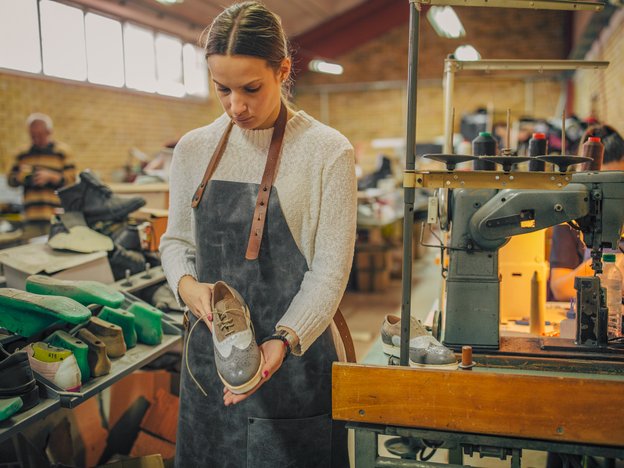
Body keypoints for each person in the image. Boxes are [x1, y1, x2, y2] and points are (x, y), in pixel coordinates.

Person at [159, 2, 356, 466]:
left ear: (283, 70)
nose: (236, 106)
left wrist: (283, 340)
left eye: (251, 88)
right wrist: (187, 287)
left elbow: (329, 272)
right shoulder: (193, 150)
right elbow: (176, 243)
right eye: (221, 89)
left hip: (293, 364)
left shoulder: (327, 153)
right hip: (211, 364)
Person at [549, 124, 624, 301]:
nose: (609, 196)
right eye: (603, 187)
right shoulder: (571, 216)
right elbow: (560, 288)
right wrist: (609, 263)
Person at [8, 113, 76, 239]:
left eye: (39, 135)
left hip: (56, 215)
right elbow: (10, 180)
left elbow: (72, 181)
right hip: (31, 216)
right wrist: (20, 177)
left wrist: (52, 177)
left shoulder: (62, 152)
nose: (36, 139)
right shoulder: (23, 154)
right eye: (32, 136)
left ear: (49, 132)